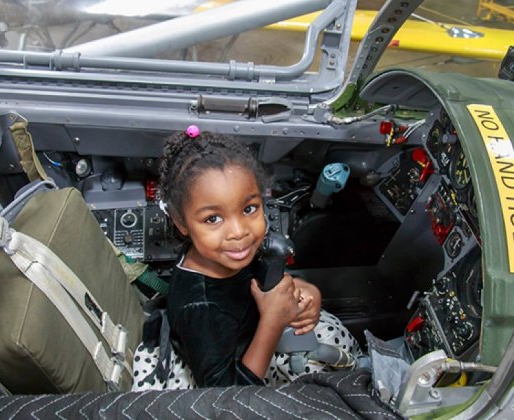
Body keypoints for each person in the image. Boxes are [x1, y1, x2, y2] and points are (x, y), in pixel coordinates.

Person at [131, 127, 359, 390]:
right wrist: (272, 322)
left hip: (252, 332)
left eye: (249, 209)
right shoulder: (201, 309)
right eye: (213, 219)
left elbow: (263, 274)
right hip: (235, 377)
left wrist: (304, 290)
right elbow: (227, 397)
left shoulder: (226, 252)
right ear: (181, 222)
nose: (239, 232)